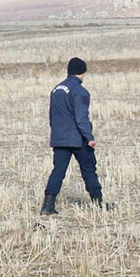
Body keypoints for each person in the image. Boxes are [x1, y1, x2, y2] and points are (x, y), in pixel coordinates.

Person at [40, 57, 106, 215]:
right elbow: (81, 118)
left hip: (59, 137)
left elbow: (52, 116)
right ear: (83, 72)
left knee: (58, 171)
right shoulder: (81, 92)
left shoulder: (56, 89)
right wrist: (89, 137)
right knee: (89, 169)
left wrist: (56, 132)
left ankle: (48, 205)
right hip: (77, 138)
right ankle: (99, 203)